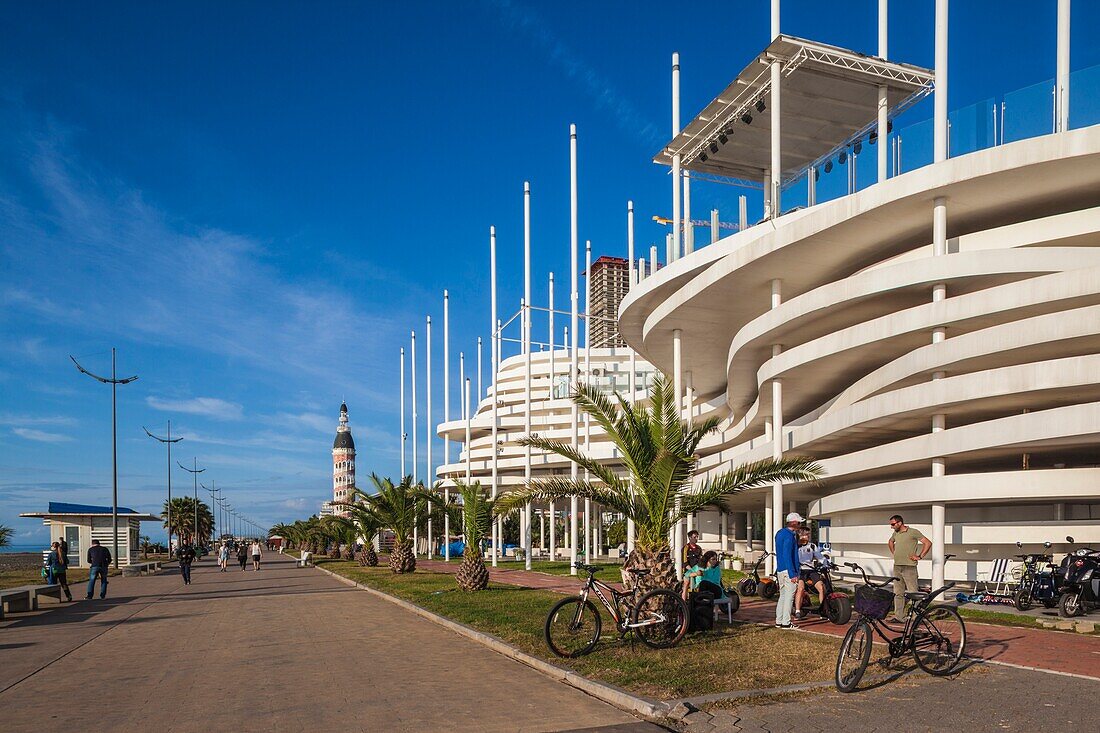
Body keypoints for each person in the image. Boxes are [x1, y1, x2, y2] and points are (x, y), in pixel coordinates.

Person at [887, 514, 931, 621]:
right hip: (897, 567)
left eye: (893, 524)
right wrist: (895, 553)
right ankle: (899, 617)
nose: (891, 527)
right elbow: (890, 542)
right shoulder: (896, 533)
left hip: (909, 567)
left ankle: (916, 617)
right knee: (898, 593)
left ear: (900, 523)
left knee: (913, 593)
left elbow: (928, 543)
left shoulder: (913, 532)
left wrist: (920, 556)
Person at [774, 512, 802, 629]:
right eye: (799, 523)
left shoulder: (780, 533)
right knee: (789, 596)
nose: (800, 525)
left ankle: (779, 620)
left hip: (781, 569)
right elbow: (788, 554)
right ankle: (786, 622)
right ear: (794, 523)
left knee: (783, 596)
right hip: (788, 570)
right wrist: (793, 573)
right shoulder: (790, 536)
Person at [794, 528, 827, 619]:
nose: (807, 536)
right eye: (804, 535)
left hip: (811, 570)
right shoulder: (796, 546)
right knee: (801, 588)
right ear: (799, 536)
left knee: (821, 587)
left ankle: (822, 610)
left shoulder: (812, 546)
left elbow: (820, 557)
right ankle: (797, 611)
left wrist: (826, 563)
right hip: (801, 571)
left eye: (808, 534)